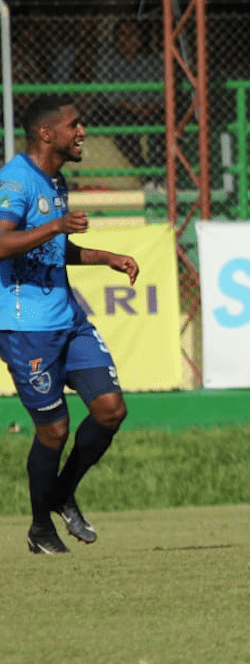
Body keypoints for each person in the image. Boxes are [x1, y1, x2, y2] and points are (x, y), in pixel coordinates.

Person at [1, 95, 140, 554]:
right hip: (25, 327)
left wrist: (105, 258)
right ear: (47, 133)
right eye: (75, 125)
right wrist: (56, 225)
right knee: (54, 431)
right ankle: (40, 528)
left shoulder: (56, 180)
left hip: (68, 317)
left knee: (110, 410)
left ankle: (61, 493)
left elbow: (50, 248)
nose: (83, 132)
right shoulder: (15, 182)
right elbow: (3, 243)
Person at [90, 18, 165, 188]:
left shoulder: (151, 61)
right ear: (115, 39)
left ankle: (160, 173)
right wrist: (131, 107)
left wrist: (150, 107)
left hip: (147, 110)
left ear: (140, 38)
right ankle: (146, 174)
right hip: (116, 110)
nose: (127, 39)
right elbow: (106, 91)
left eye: (132, 35)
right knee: (123, 125)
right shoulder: (107, 58)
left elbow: (162, 93)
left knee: (163, 122)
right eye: (122, 35)